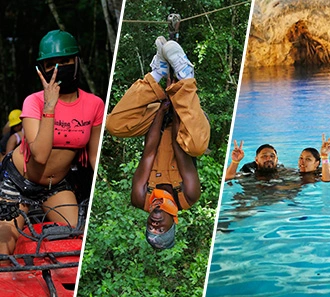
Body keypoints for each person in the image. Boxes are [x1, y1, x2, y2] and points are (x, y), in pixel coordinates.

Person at [0, 29, 104, 255]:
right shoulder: (33, 102)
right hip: (18, 183)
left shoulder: (95, 104)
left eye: (65, 61)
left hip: (55, 186)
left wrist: (106, 189)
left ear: (76, 61)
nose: (59, 68)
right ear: (43, 70)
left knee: (75, 244)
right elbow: (39, 155)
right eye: (52, 64)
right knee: (3, 254)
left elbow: (95, 155)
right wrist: (50, 107)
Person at [106, 36, 210, 249]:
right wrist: (175, 99)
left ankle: (158, 71)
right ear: (174, 223)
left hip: (158, 121)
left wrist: (163, 111)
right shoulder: (188, 196)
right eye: (160, 229)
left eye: (151, 228)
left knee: (114, 125)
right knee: (197, 146)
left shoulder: (140, 198)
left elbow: (149, 154)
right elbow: (181, 152)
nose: (154, 225)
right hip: (185, 122)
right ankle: (186, 76)